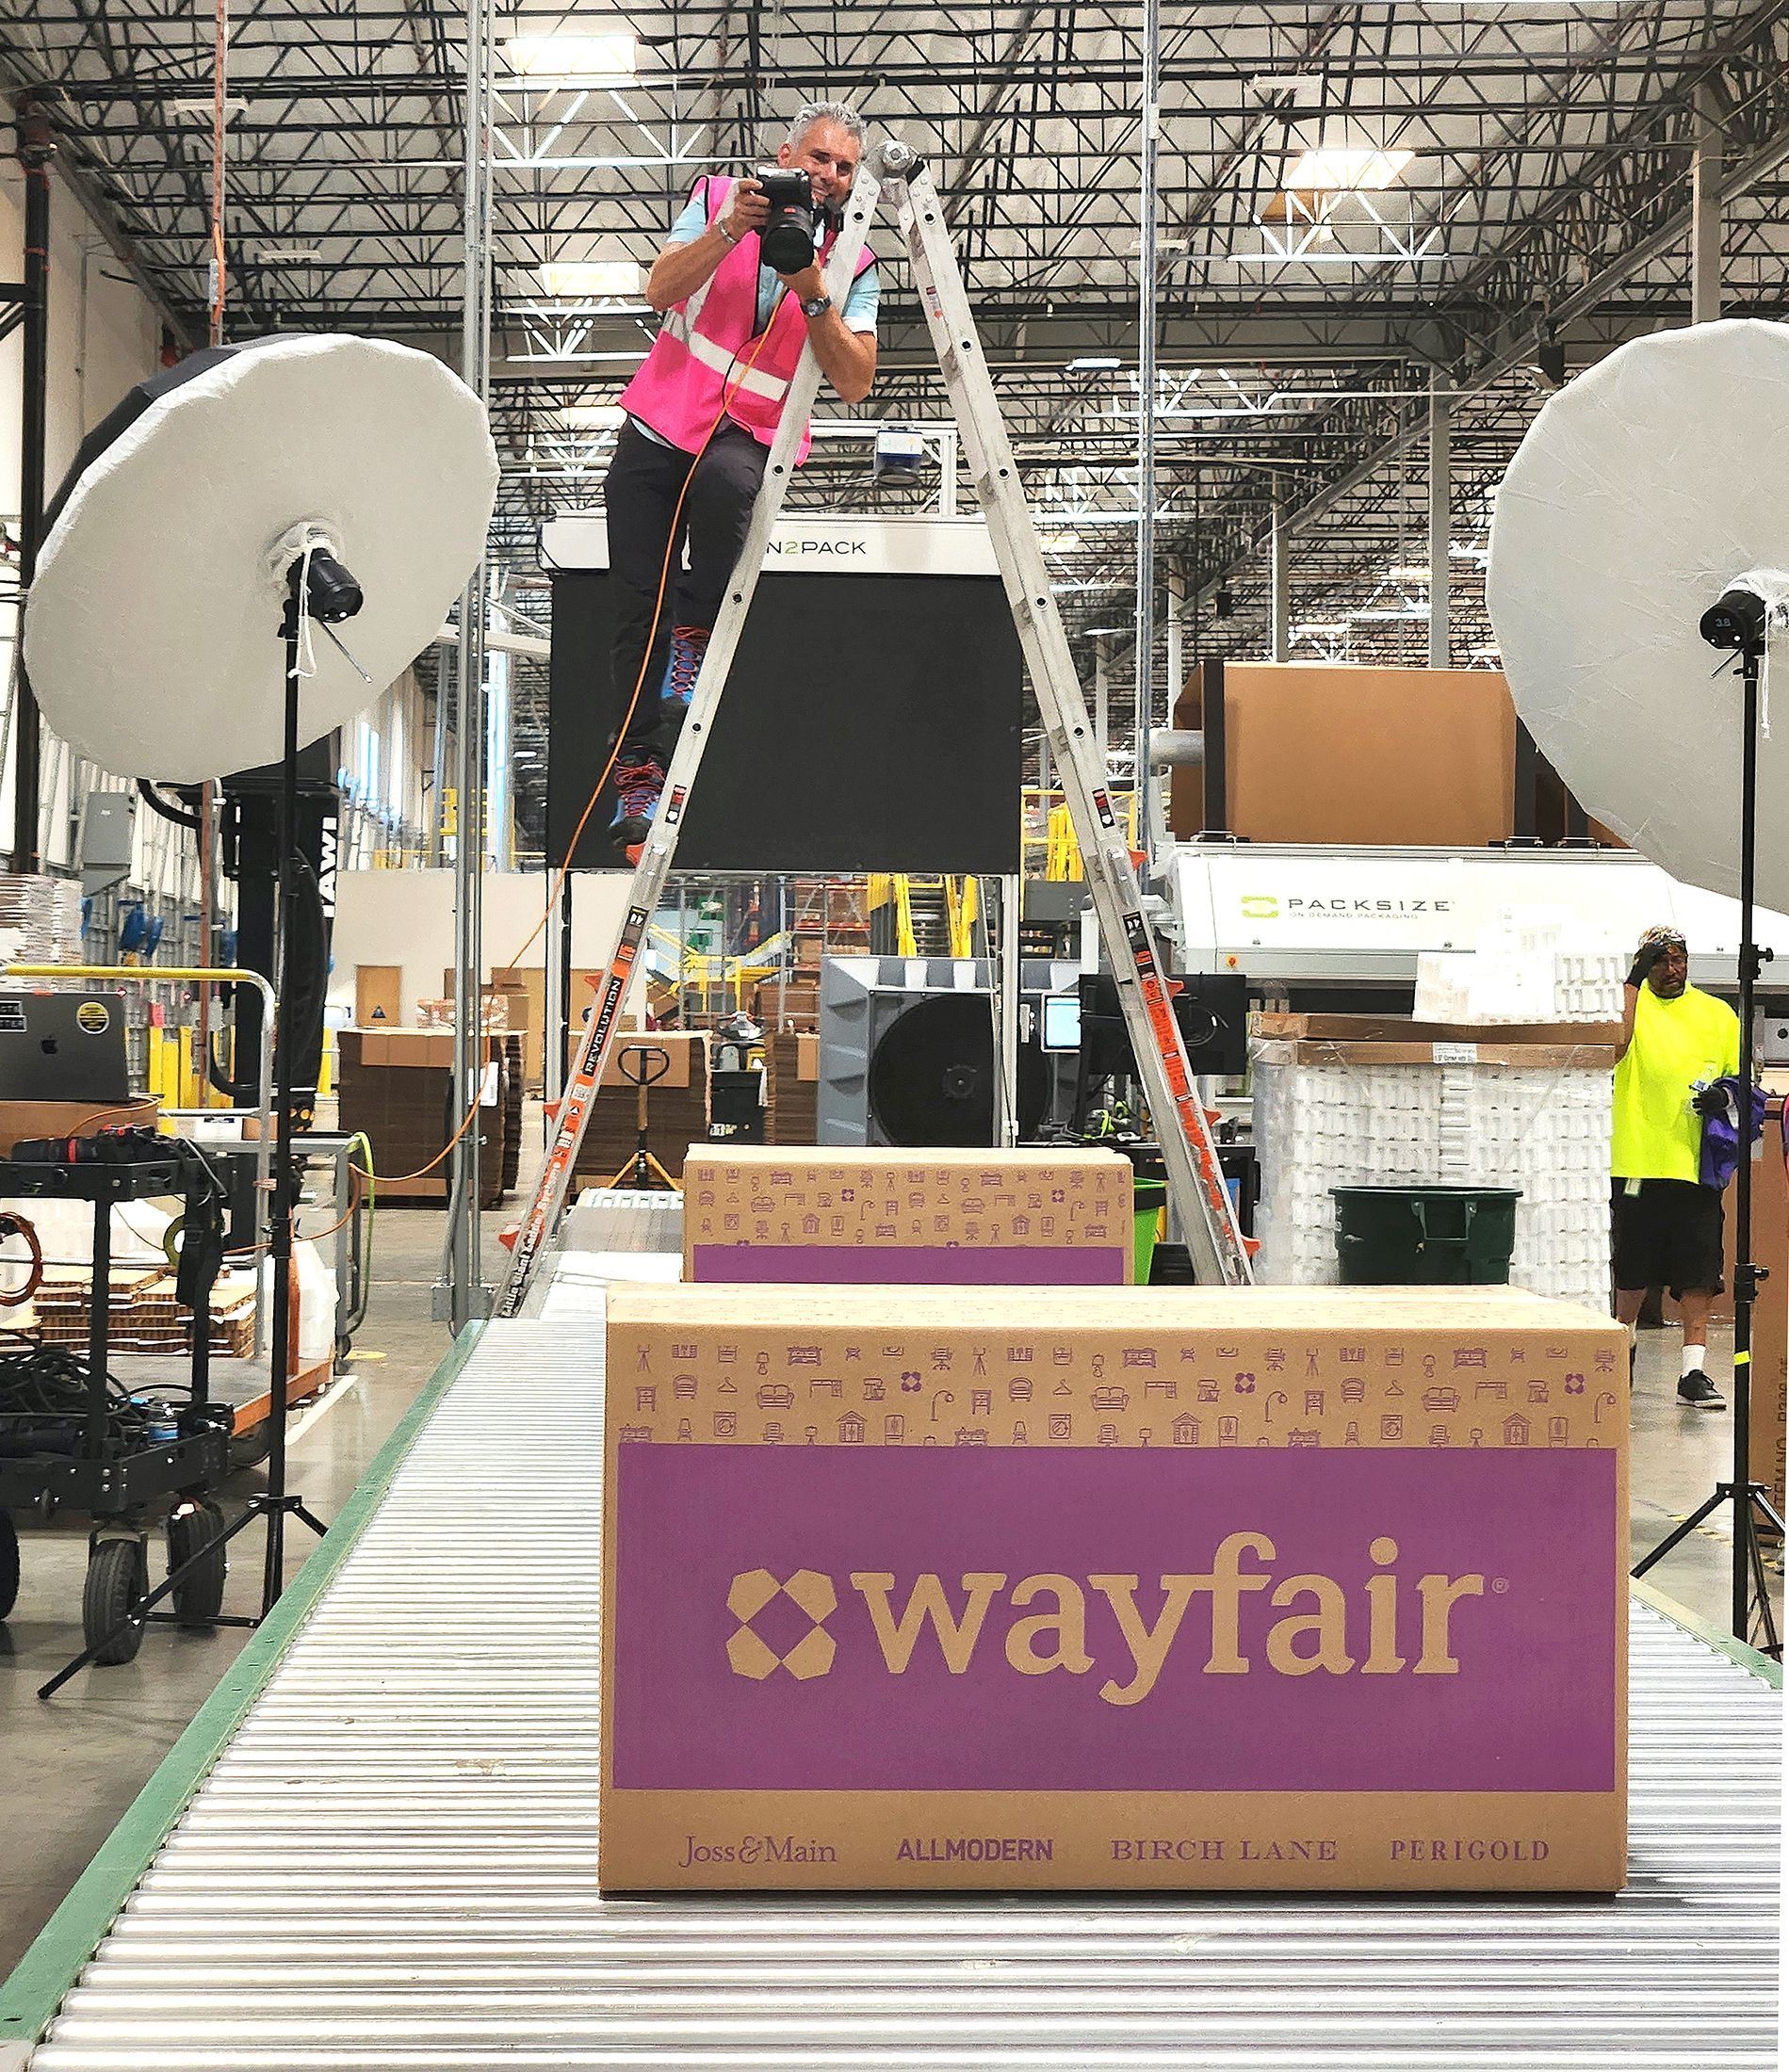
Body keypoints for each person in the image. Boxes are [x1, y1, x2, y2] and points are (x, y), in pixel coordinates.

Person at [600, 102, 880, 859]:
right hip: (661, 424)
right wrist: (731, 230)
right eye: (819, 158)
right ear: (786, 155)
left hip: (747, 434)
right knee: (638, 613)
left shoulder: (854, 262)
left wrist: (812, 289)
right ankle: (638, 777)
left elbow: (855, 380)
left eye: (845, 167)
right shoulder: (716, 198)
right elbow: (660, 290)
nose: (829, 175)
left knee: (728, 488)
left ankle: (696, 634)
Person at [1611, 925, 1742, 1408]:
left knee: (1698, 1269)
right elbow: (1615, 1047)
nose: (1672, 969)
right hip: (1636, 1160)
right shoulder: (1629, 1006)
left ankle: (1693, 1371)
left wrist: (1723, 1096)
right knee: (1631, 1267)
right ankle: (1620, 1352)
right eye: (1659, 960)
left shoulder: (1717, 1014)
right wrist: (1631, 982)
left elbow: (1741, 1080)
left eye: (1678, 959)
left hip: (1695, 1165)